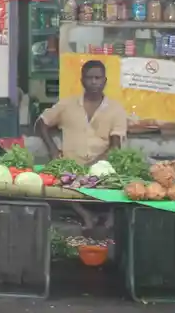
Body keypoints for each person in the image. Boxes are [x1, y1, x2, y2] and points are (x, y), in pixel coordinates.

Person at [36, 60, 127, 235]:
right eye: (89, 78)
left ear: (105, 81)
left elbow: (115, 144)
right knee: (55, 180)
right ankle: (85, 215)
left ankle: (108, 214)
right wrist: (53, 150)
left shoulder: (116, 109)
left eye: (98, 78)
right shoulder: (67, 105)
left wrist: (96, 164)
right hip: (70, 166)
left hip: (101, 166)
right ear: (82, 80)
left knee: (120, 181)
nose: (94, 82)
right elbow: (42, 122)